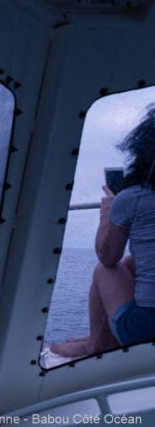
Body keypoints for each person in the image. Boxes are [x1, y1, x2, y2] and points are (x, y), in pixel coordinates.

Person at [51, 105, 155, 357]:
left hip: (146, 331)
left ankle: (96, 344)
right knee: (131, 263)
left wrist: (108, 210)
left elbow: (107, 256)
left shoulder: (134, 198)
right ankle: (99, 336)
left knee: (105, 270)